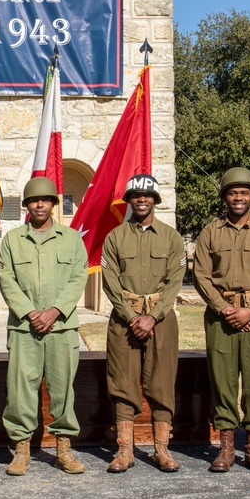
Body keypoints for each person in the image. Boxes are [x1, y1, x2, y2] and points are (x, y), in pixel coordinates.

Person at [0, 176, 88, 476]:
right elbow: (6, 279)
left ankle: (63, 449)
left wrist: (55, 311)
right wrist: (29, 312)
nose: (40, 204)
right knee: (20, 390)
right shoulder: (12, 240)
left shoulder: (71, 238)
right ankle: (21, 449)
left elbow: (78, 277)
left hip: (61, 328)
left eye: (46, 200)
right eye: (34, 200)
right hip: (25, 329)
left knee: (63, 390)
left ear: (53, 204)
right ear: (26, 205)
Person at [192, 167, 250, 474]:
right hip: (221, 316)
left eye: (244, 193)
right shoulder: (210, 232)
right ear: (225, 197)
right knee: (222, 380)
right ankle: (226, 446)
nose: (238, 198)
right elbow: (201, 275)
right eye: (232, 193)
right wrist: (224, 308)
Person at [101, 174, 186, 473]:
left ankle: (162, 449)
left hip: (161, 320)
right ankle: (125, 450)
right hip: (125, 321)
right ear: (129, 200)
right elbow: (109, 281)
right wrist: (132, 315)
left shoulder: (171, 237)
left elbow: (175, 281)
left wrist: (153, 315)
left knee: (162, 382)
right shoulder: (115, 237)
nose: (141, 199)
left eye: (147, 196)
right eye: (136, 195)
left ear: (155, 200)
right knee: (123, 383)